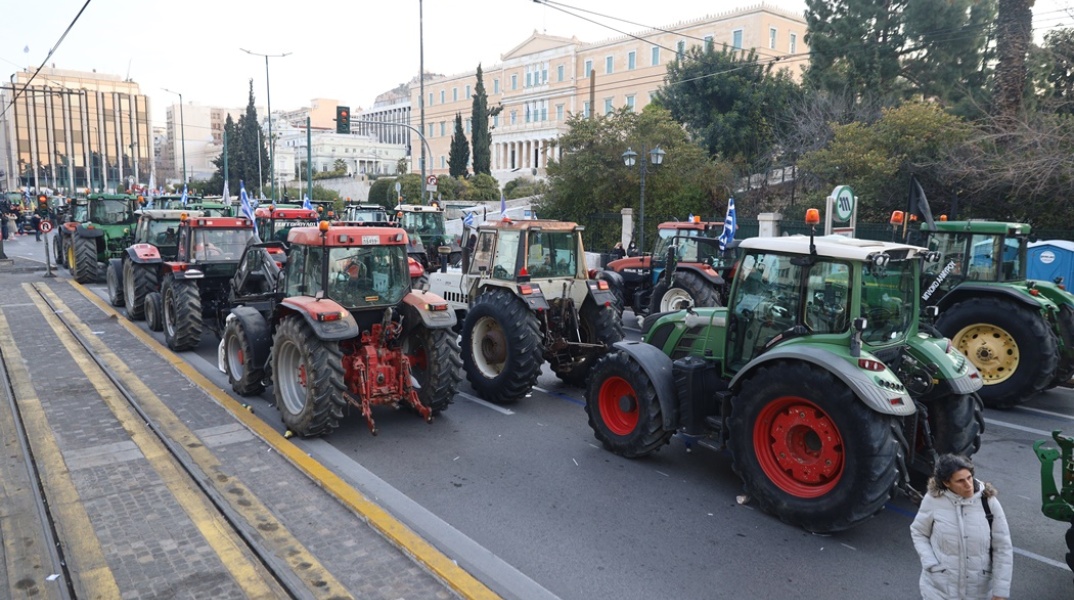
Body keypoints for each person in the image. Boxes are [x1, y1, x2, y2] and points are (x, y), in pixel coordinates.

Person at [910, 454, 1013, 600]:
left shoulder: (988, 502)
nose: (968, 484)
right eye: (960, 481)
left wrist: (1000, 591)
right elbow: (919, 532)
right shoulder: (933, 500)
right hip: (939, 590)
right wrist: (931, 563)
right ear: (946, 483)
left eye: (969, 477)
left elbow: (1003, 547)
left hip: (979, 591)